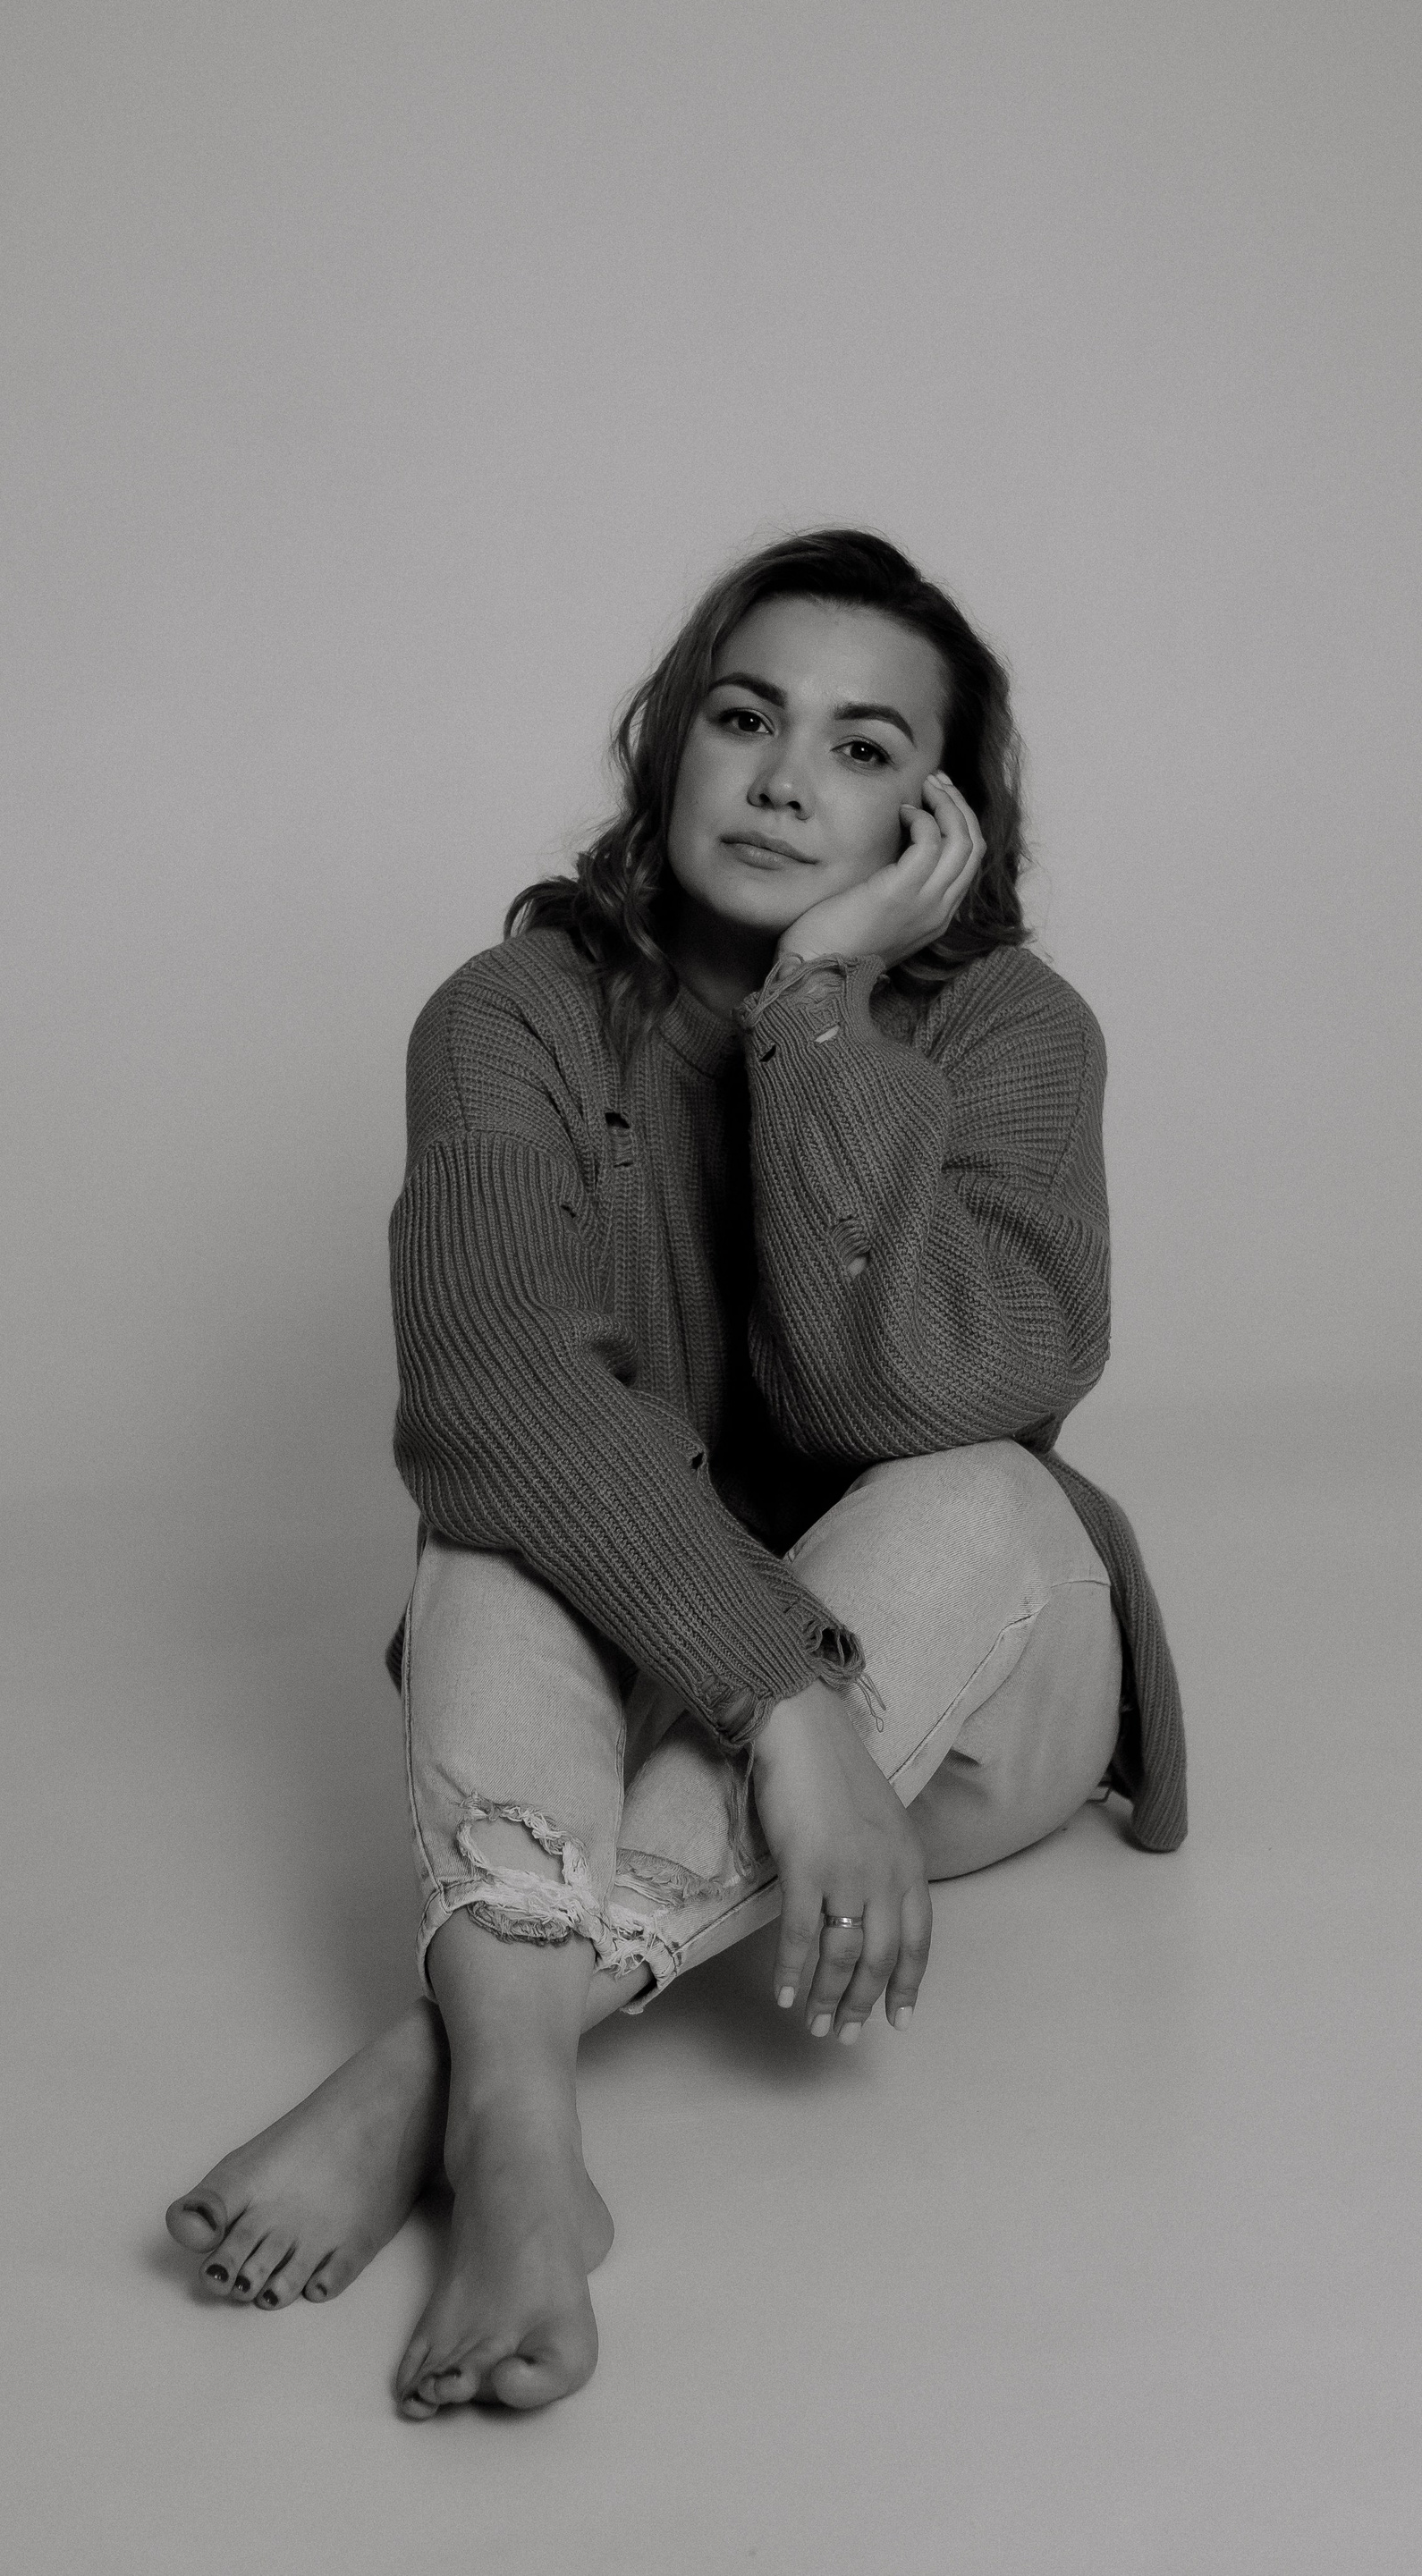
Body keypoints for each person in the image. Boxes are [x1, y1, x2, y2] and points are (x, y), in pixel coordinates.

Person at [164, 528, 1186, 2419]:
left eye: (864, 748)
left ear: (943, 818)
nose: (788, 779)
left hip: (967, 1689)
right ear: (671, 744)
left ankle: (442, 2060)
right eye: (745, 716)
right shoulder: (514, 1014)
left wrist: (817, 1012)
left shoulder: (1016, 1032)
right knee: (496, 1517)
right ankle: (526, 2143)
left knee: (986, 1487)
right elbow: (490, 1384)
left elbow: (924, 1395)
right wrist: (786, 1708)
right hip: (720, 1700)